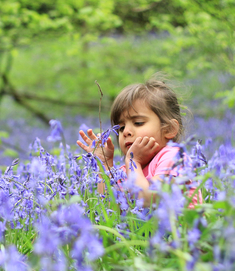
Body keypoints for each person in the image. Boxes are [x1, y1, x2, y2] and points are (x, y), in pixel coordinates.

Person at [77, 79, 202, 208]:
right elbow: (110, 209)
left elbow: (148, 200)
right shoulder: (126, 171)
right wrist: (104, 165)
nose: (126, 132)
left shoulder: (174, 158)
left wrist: (133, 162)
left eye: (138, 123)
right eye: (121, 128)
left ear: (169, 129)